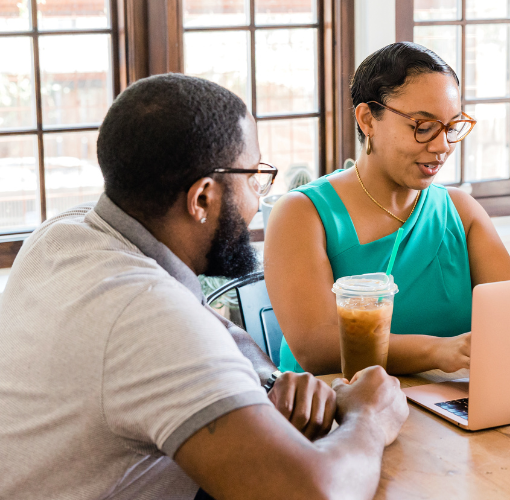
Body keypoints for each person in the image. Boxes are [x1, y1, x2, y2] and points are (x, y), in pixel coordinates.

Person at [0, 74, 408, 499]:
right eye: (254, 178)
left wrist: (268, 381)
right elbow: (317, 492)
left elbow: (206, 323)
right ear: (201, 199)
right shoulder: (145, 315)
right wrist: (369, 418)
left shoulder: (65, 232)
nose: (258, 199)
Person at [265, 42, 510, 375]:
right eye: (423, 127)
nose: (442, 146)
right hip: (338, 415)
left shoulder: (460, 212)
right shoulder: (302, 214)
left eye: (452, 127)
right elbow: (317, 347)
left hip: (445, 411)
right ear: (368, 118)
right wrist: (437, 352)